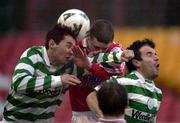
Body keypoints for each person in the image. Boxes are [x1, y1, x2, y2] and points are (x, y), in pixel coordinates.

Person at [1, 25, 83, 123]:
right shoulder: (34, 55)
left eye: (73, 48)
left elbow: (96, 80)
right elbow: (19, 82)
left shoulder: (70, 66)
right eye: (68, 46)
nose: (71, 52)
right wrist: (58, 80)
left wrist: (86, 64)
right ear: (52, 43)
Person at [69, 19, 134, 123]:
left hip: (107, 113)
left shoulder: (117, 52)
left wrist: (89, 65)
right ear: (89, 37)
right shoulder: (76, 46)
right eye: (96, 47)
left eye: (104, 49)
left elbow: (113, 78)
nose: (99, 51)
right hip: (81, 114)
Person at [87, 39, 163, 123]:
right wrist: (106, 119)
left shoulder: (158, 93)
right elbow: (91, 97)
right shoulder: (126, 81)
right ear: (136, 62)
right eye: (149, 54)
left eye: (155, 54)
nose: (157, 58)